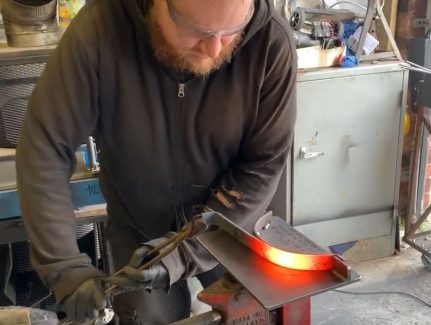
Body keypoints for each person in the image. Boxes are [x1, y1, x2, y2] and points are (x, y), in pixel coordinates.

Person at [15, 0, 297, 323]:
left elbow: (261, 166)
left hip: (229, 226)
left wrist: (181, 255)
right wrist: (65, 269)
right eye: (198, 31)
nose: (213, 49)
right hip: (139, 232)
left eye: (232, 31)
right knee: (148, 317)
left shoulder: (270, 44)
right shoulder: (101, 29)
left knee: (256, 315)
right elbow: (45, 147)